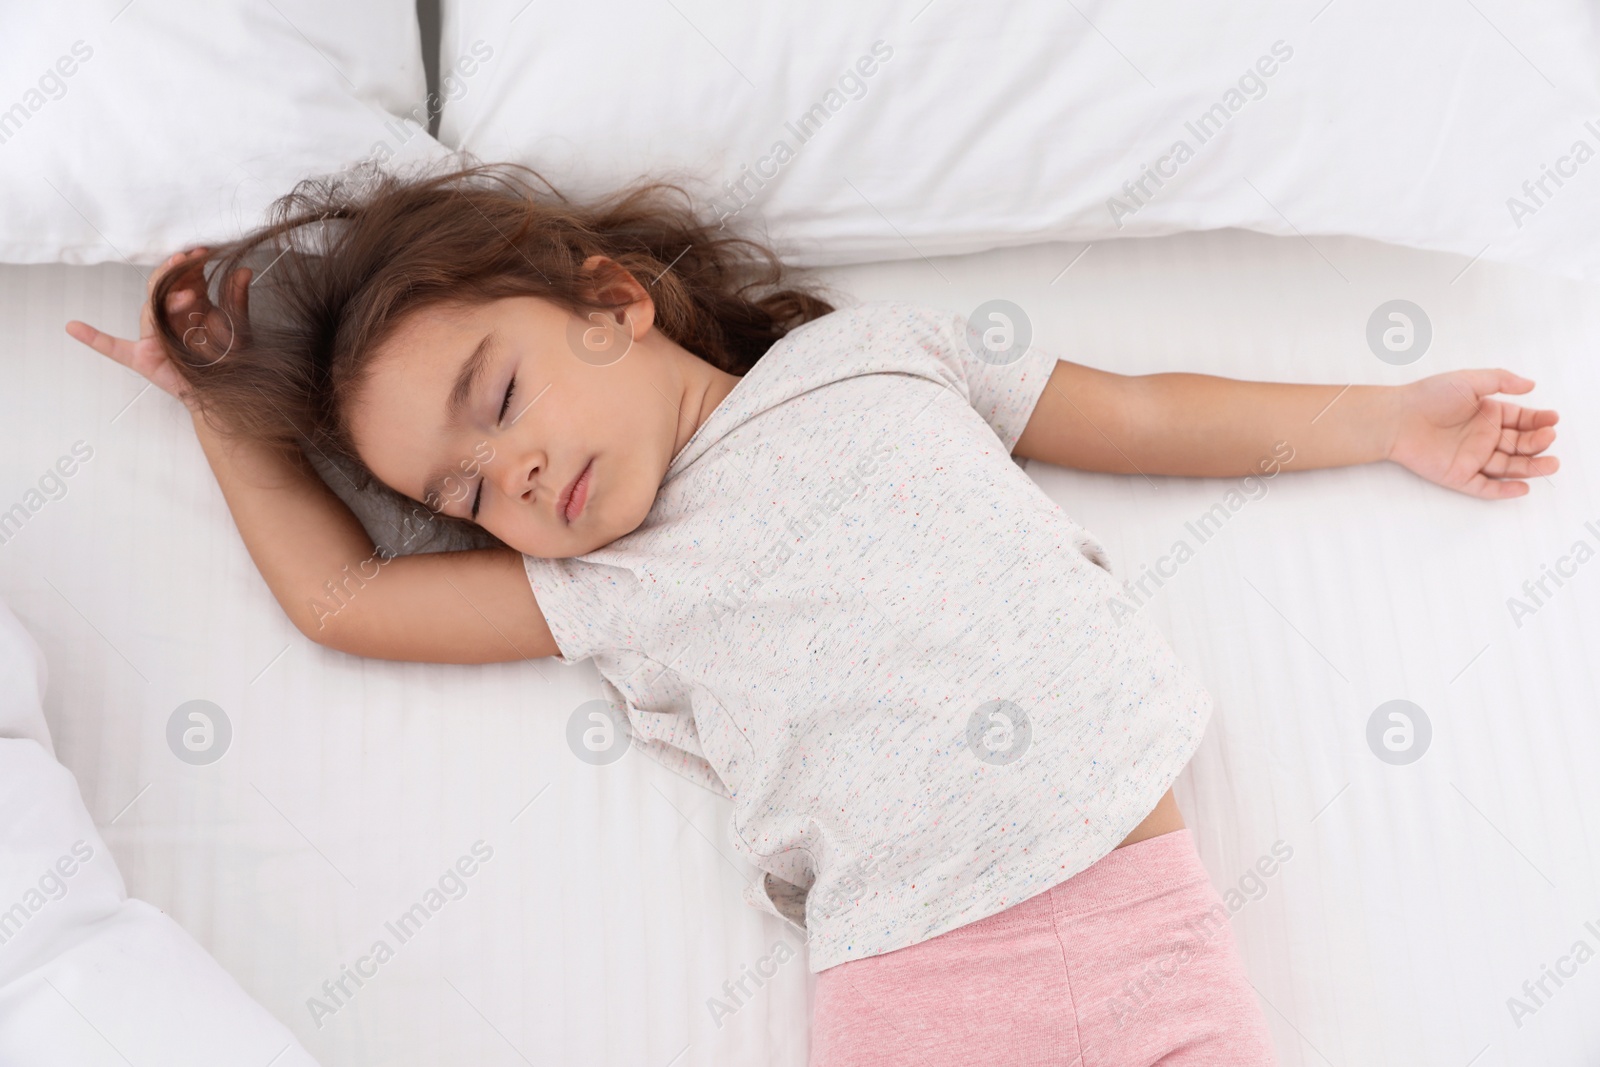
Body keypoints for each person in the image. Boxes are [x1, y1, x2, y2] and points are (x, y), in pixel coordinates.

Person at [65, 161, 1559, 1065]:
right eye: (464, 494)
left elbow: (1151, 410)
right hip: (911, 984)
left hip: (1142, 914)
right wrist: (221, 415)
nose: (508, 472)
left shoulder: (876, 360)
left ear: (610, 299)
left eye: (500, 398)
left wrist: (1380, 417)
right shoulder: (601, 583)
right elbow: (343, 595)